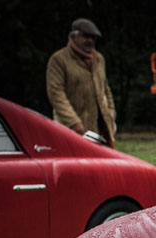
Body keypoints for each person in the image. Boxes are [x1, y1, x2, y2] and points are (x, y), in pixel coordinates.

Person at [46, 18, 117, 146]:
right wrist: (73, 122)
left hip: (100, 129)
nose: (90, 41)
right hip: (70, 130)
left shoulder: (99, 59)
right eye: (85, 36)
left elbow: (105, 89)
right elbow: (56, 93)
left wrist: (111, 113)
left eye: (93, 38)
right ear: (73, 37)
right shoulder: (59, 59)